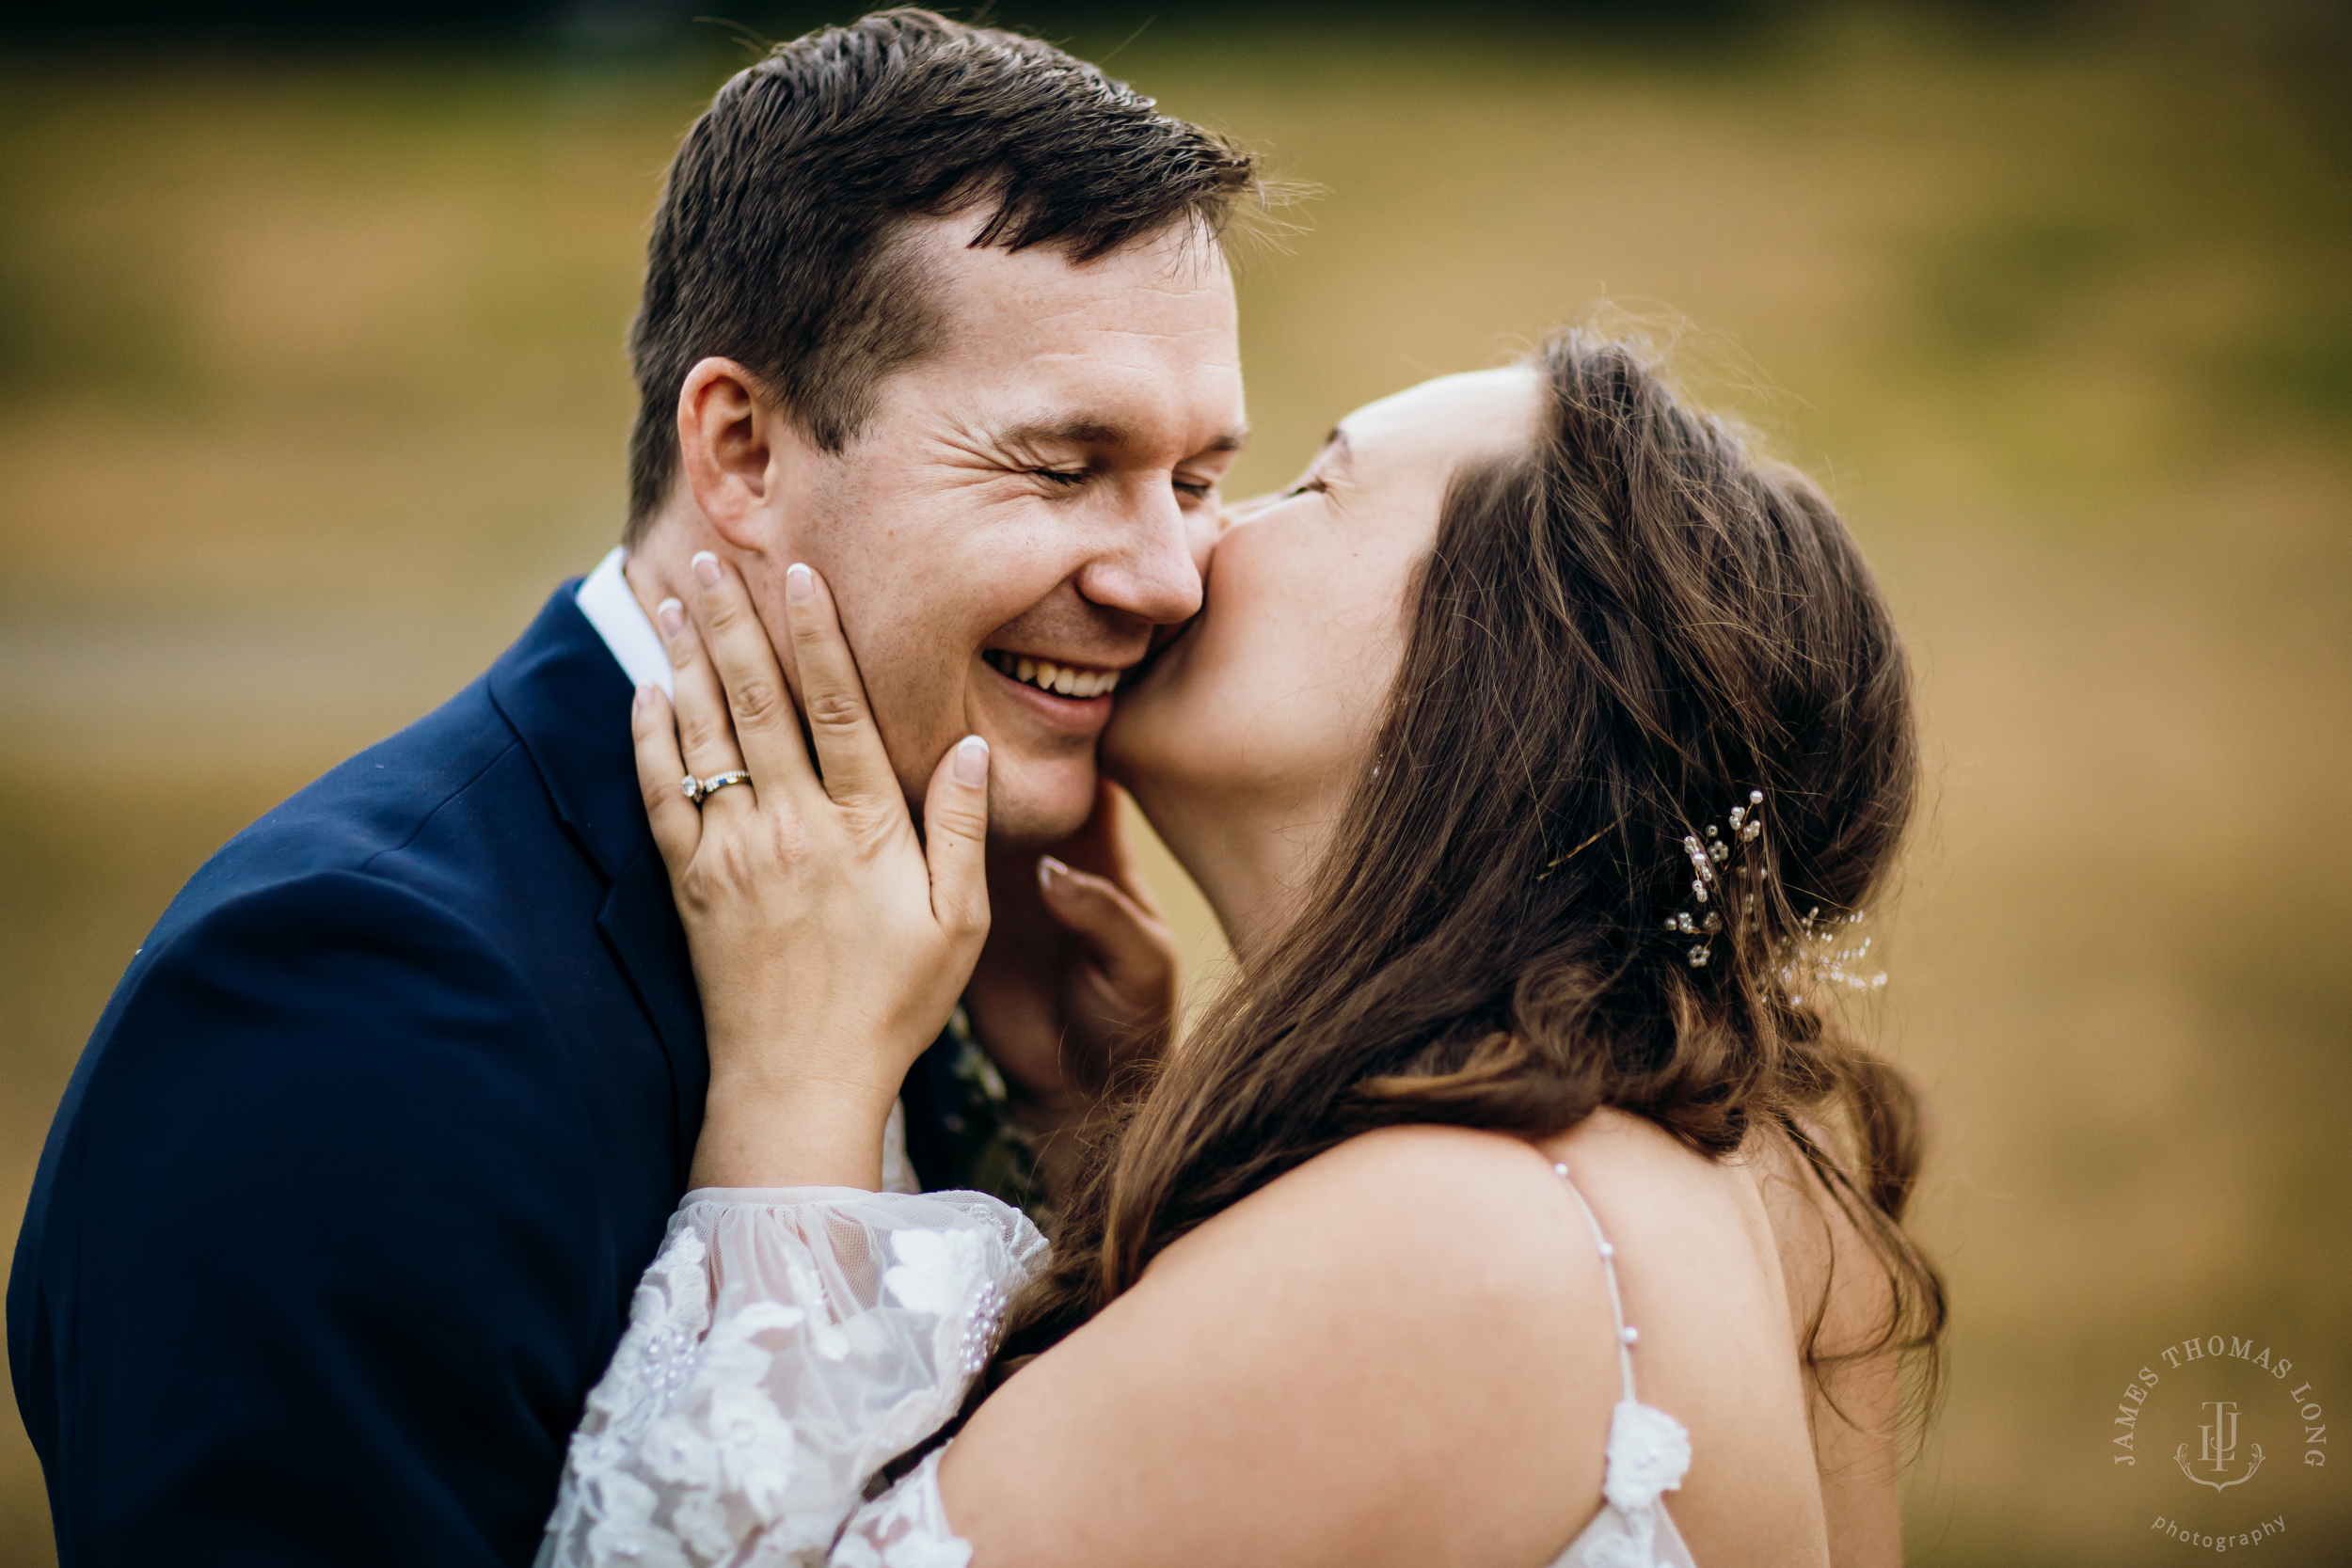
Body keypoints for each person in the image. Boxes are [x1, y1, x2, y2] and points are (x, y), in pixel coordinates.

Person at [6, 12, 1256, 1562]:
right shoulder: (352, 1005)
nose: (1169, 579)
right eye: (1064, 467)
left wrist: (1079, 1134)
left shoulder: (951, 898)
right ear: (739, 446)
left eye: (1198, 483)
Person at [543, 331, 1948, 1567]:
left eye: (1311, 487)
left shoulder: (1459, 1249)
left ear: (1478, 676)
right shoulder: (1778, 1177)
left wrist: (800, 1082)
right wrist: (1100, 1114)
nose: (1180, 559)